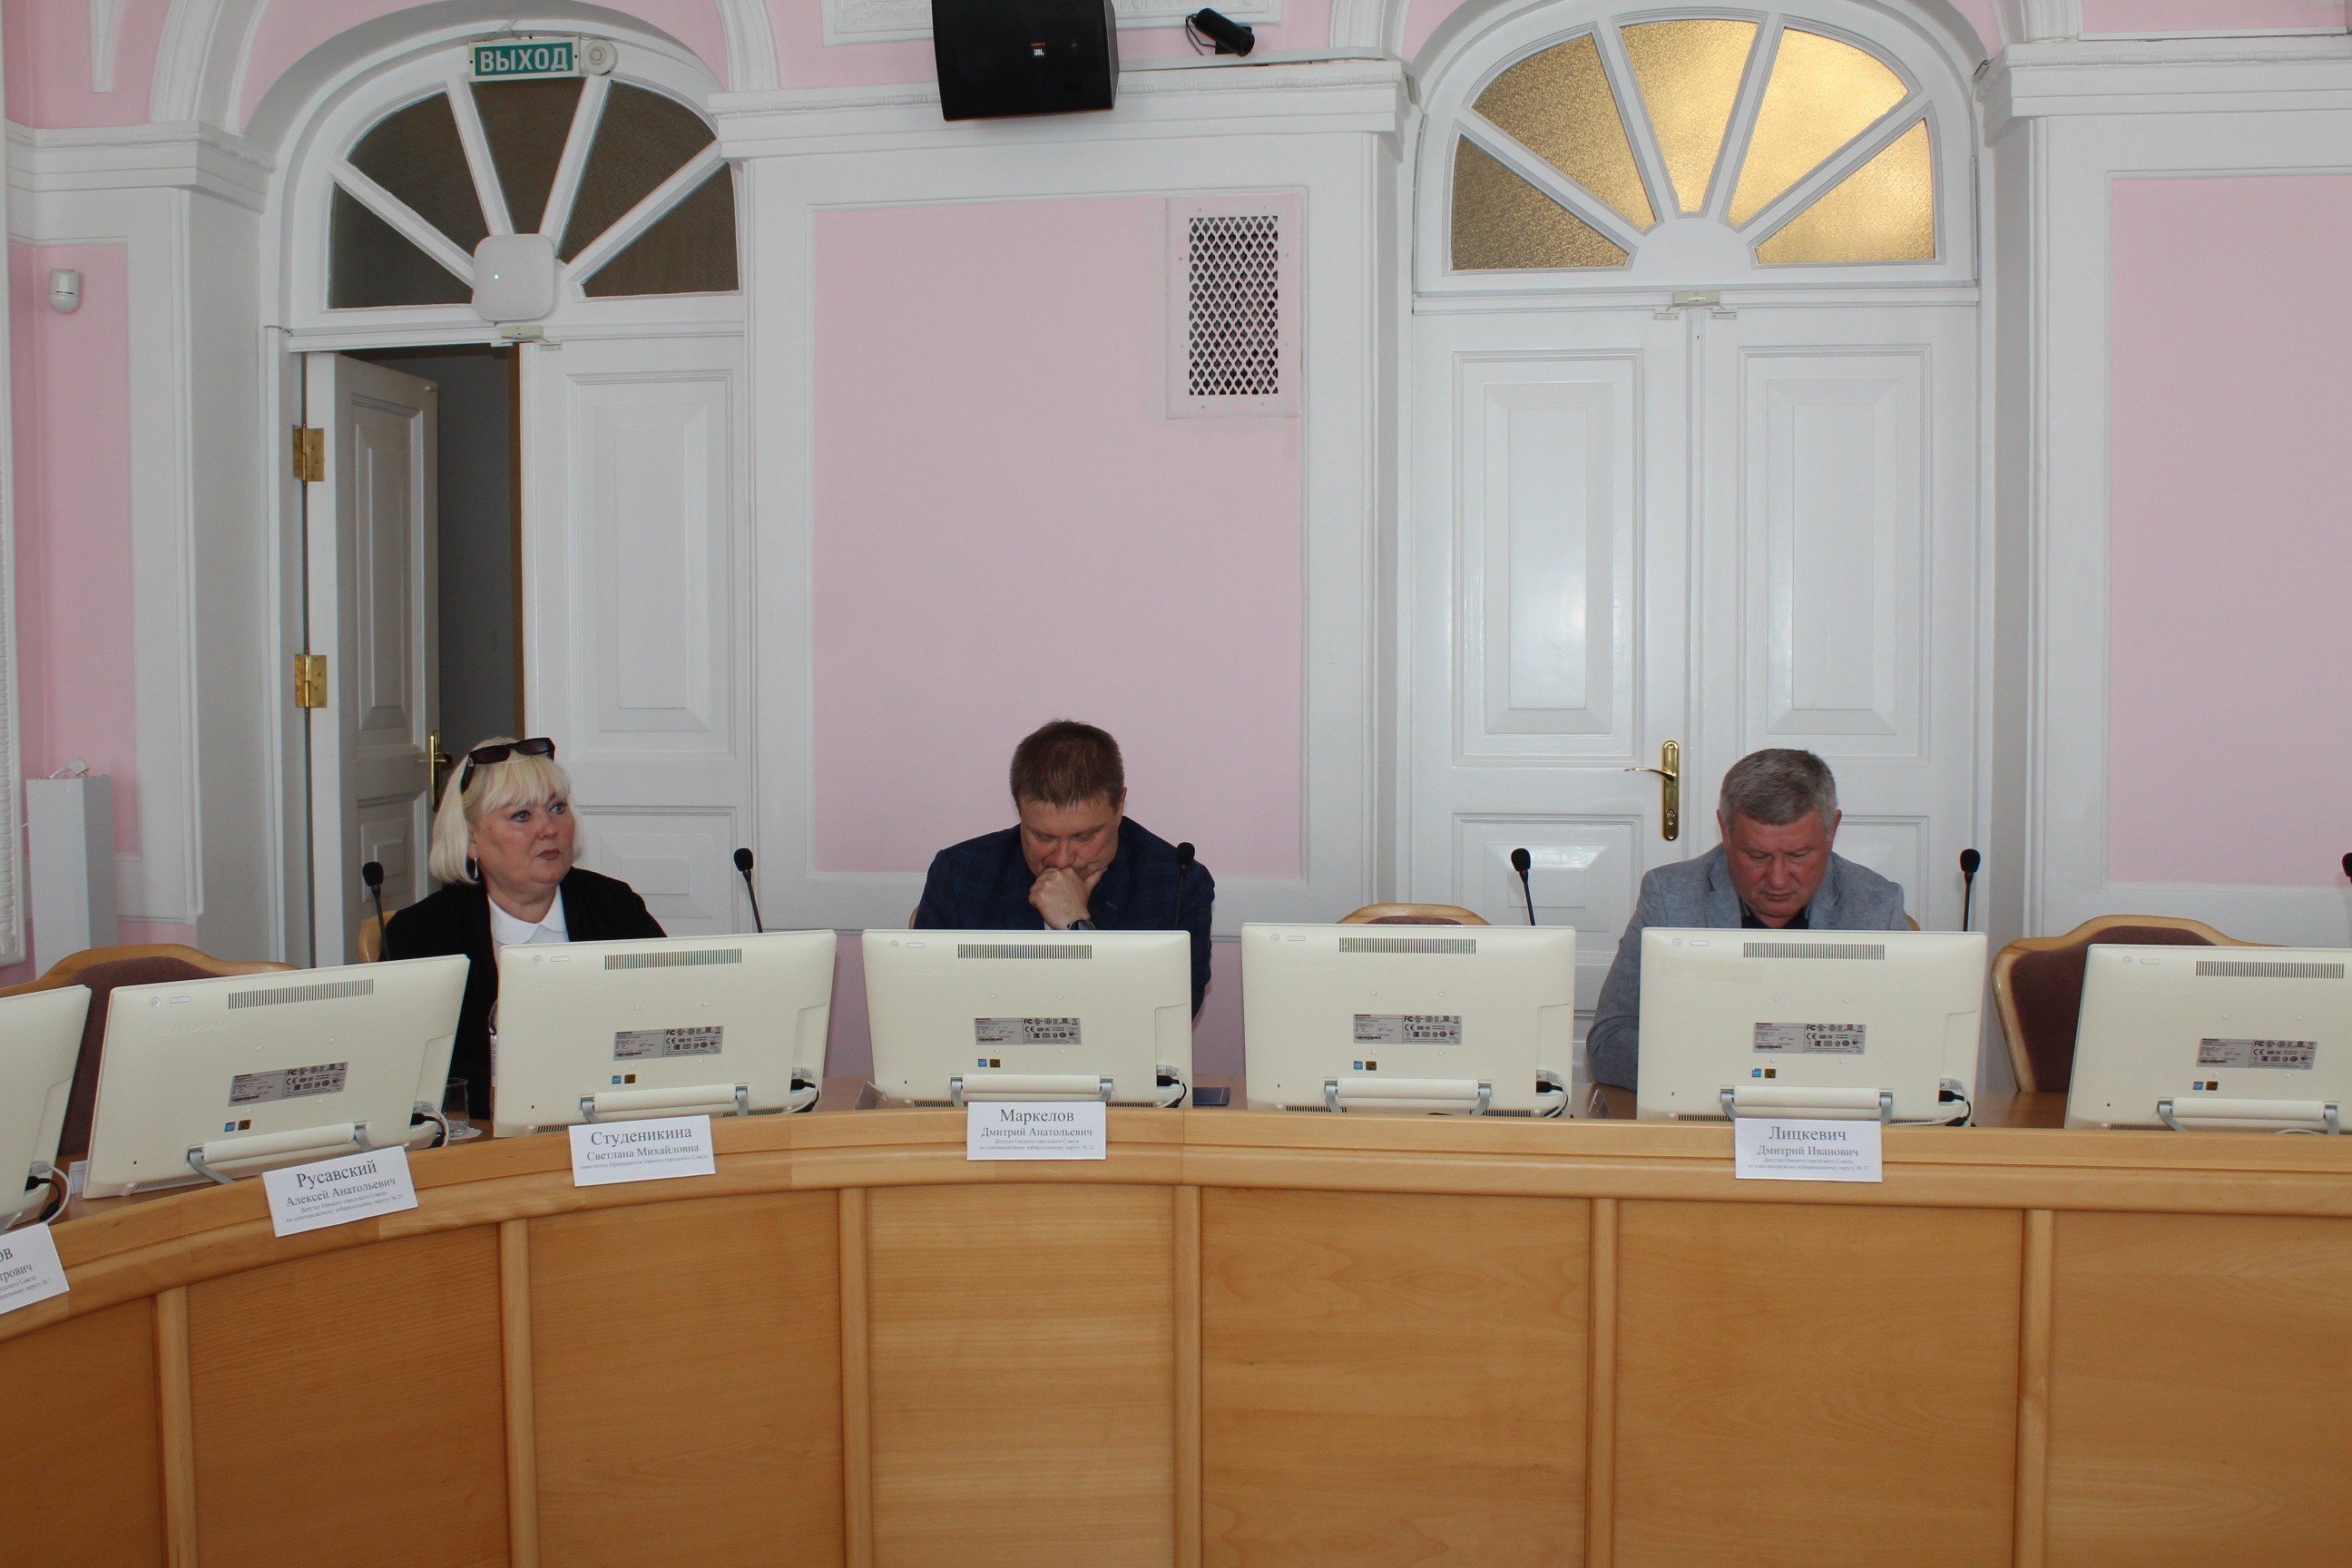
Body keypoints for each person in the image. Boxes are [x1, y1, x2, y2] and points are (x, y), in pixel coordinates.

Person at [1586, 748, 1906, 1093]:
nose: (1778, 879)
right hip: (1711, 1112)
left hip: (1832, 1115)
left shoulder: (1877, 905)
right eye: (1758, 856)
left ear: (1832, 831)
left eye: (1799, 856)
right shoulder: (1670, 897)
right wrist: (1734, 1075)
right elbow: (1608, 1043)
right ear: (1725, 831)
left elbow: (1907, 1044)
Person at [383, 737, 664, 1117]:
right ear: (471, 838)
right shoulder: (423, 933)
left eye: (557, 808)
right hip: (483, 1133)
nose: (548, 829)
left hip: (608, 1120)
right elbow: (401, 1072)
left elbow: (668, 1016)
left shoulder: (613, 906)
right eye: (521, 815)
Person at [916, 720, 1214, 1014]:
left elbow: (1171, 1016)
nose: (1061, 859)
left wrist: (1078, 926)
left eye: (1083, 837)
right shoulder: (961, 873)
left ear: (1119, 806)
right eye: (1043, 836)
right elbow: (928, 1005)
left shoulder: (1176, 882)